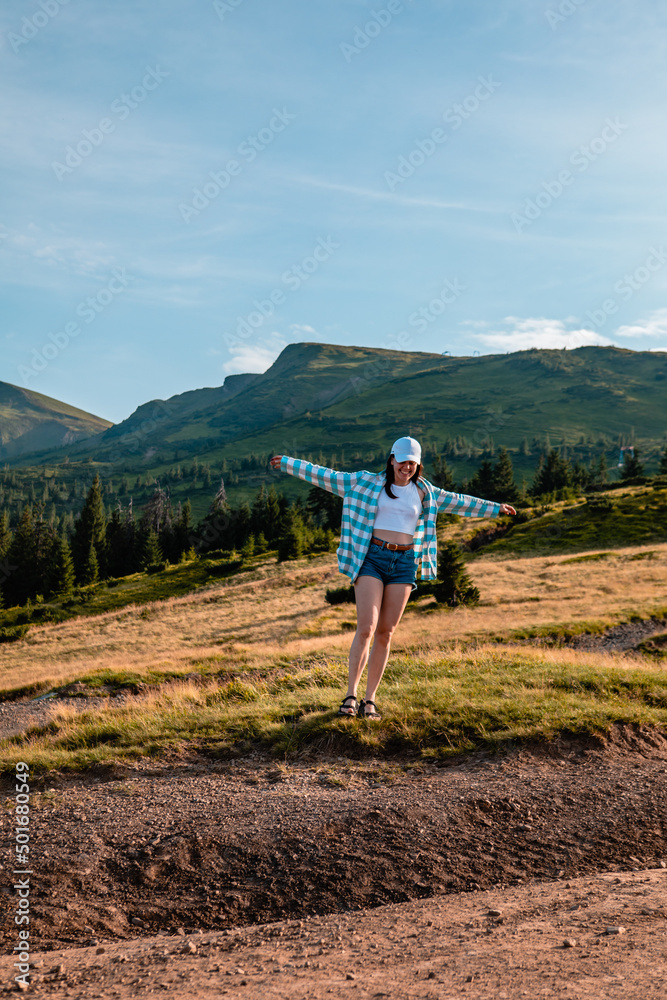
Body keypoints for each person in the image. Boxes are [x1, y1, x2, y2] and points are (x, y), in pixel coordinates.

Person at [269, 437, 516, 720]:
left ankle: (369, 700)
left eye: (412, 463)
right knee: (367, 627)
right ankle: (350, 696)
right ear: (391, 460)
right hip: (371, 558)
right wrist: (289, 464)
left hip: (404, 563)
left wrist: (495, 507)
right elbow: (326, 475)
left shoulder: (426, 492)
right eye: (402, 461)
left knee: (386, 632)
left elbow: (460, 502)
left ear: (417, 465)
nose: (406, 467)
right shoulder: (363, 483)